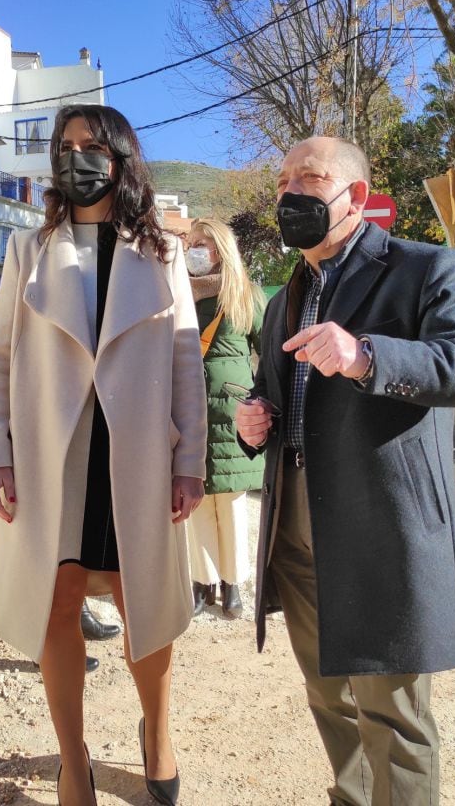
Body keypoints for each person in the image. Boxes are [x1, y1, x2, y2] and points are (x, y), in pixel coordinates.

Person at [234, 136, 455, 806]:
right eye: (283, 179)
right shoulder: (283, 297)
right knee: (329, 697)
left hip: (380, 527)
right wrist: (255, 415)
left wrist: (365, 357)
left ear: (355, 196)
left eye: (310, 176)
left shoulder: (426, 269)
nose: (290, 191)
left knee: (394, 715)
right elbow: (270, 387)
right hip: (295, 527)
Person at [0, 104, 206, 806]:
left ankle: (158, 732)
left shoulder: (161, 257)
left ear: (121, 159)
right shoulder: (27, 251)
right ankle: (71, 759)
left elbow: (185, 365)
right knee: (58, 603)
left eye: (93, 145)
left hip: (135, 457)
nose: (78, 157)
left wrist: (190, 462)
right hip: (53, 459)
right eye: (66, 146)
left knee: (145, 607)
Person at [183, 219, 264, 619]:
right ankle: (203, 584)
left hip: (231, 414)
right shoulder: (178, 293)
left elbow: (271, 352)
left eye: (203, 243)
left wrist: (260, 401)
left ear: (222, 250)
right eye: (192, 243)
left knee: (230, 504)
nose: (194, 250)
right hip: (188, 409)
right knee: (194, 502)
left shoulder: (246, 295)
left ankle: (233, 585)